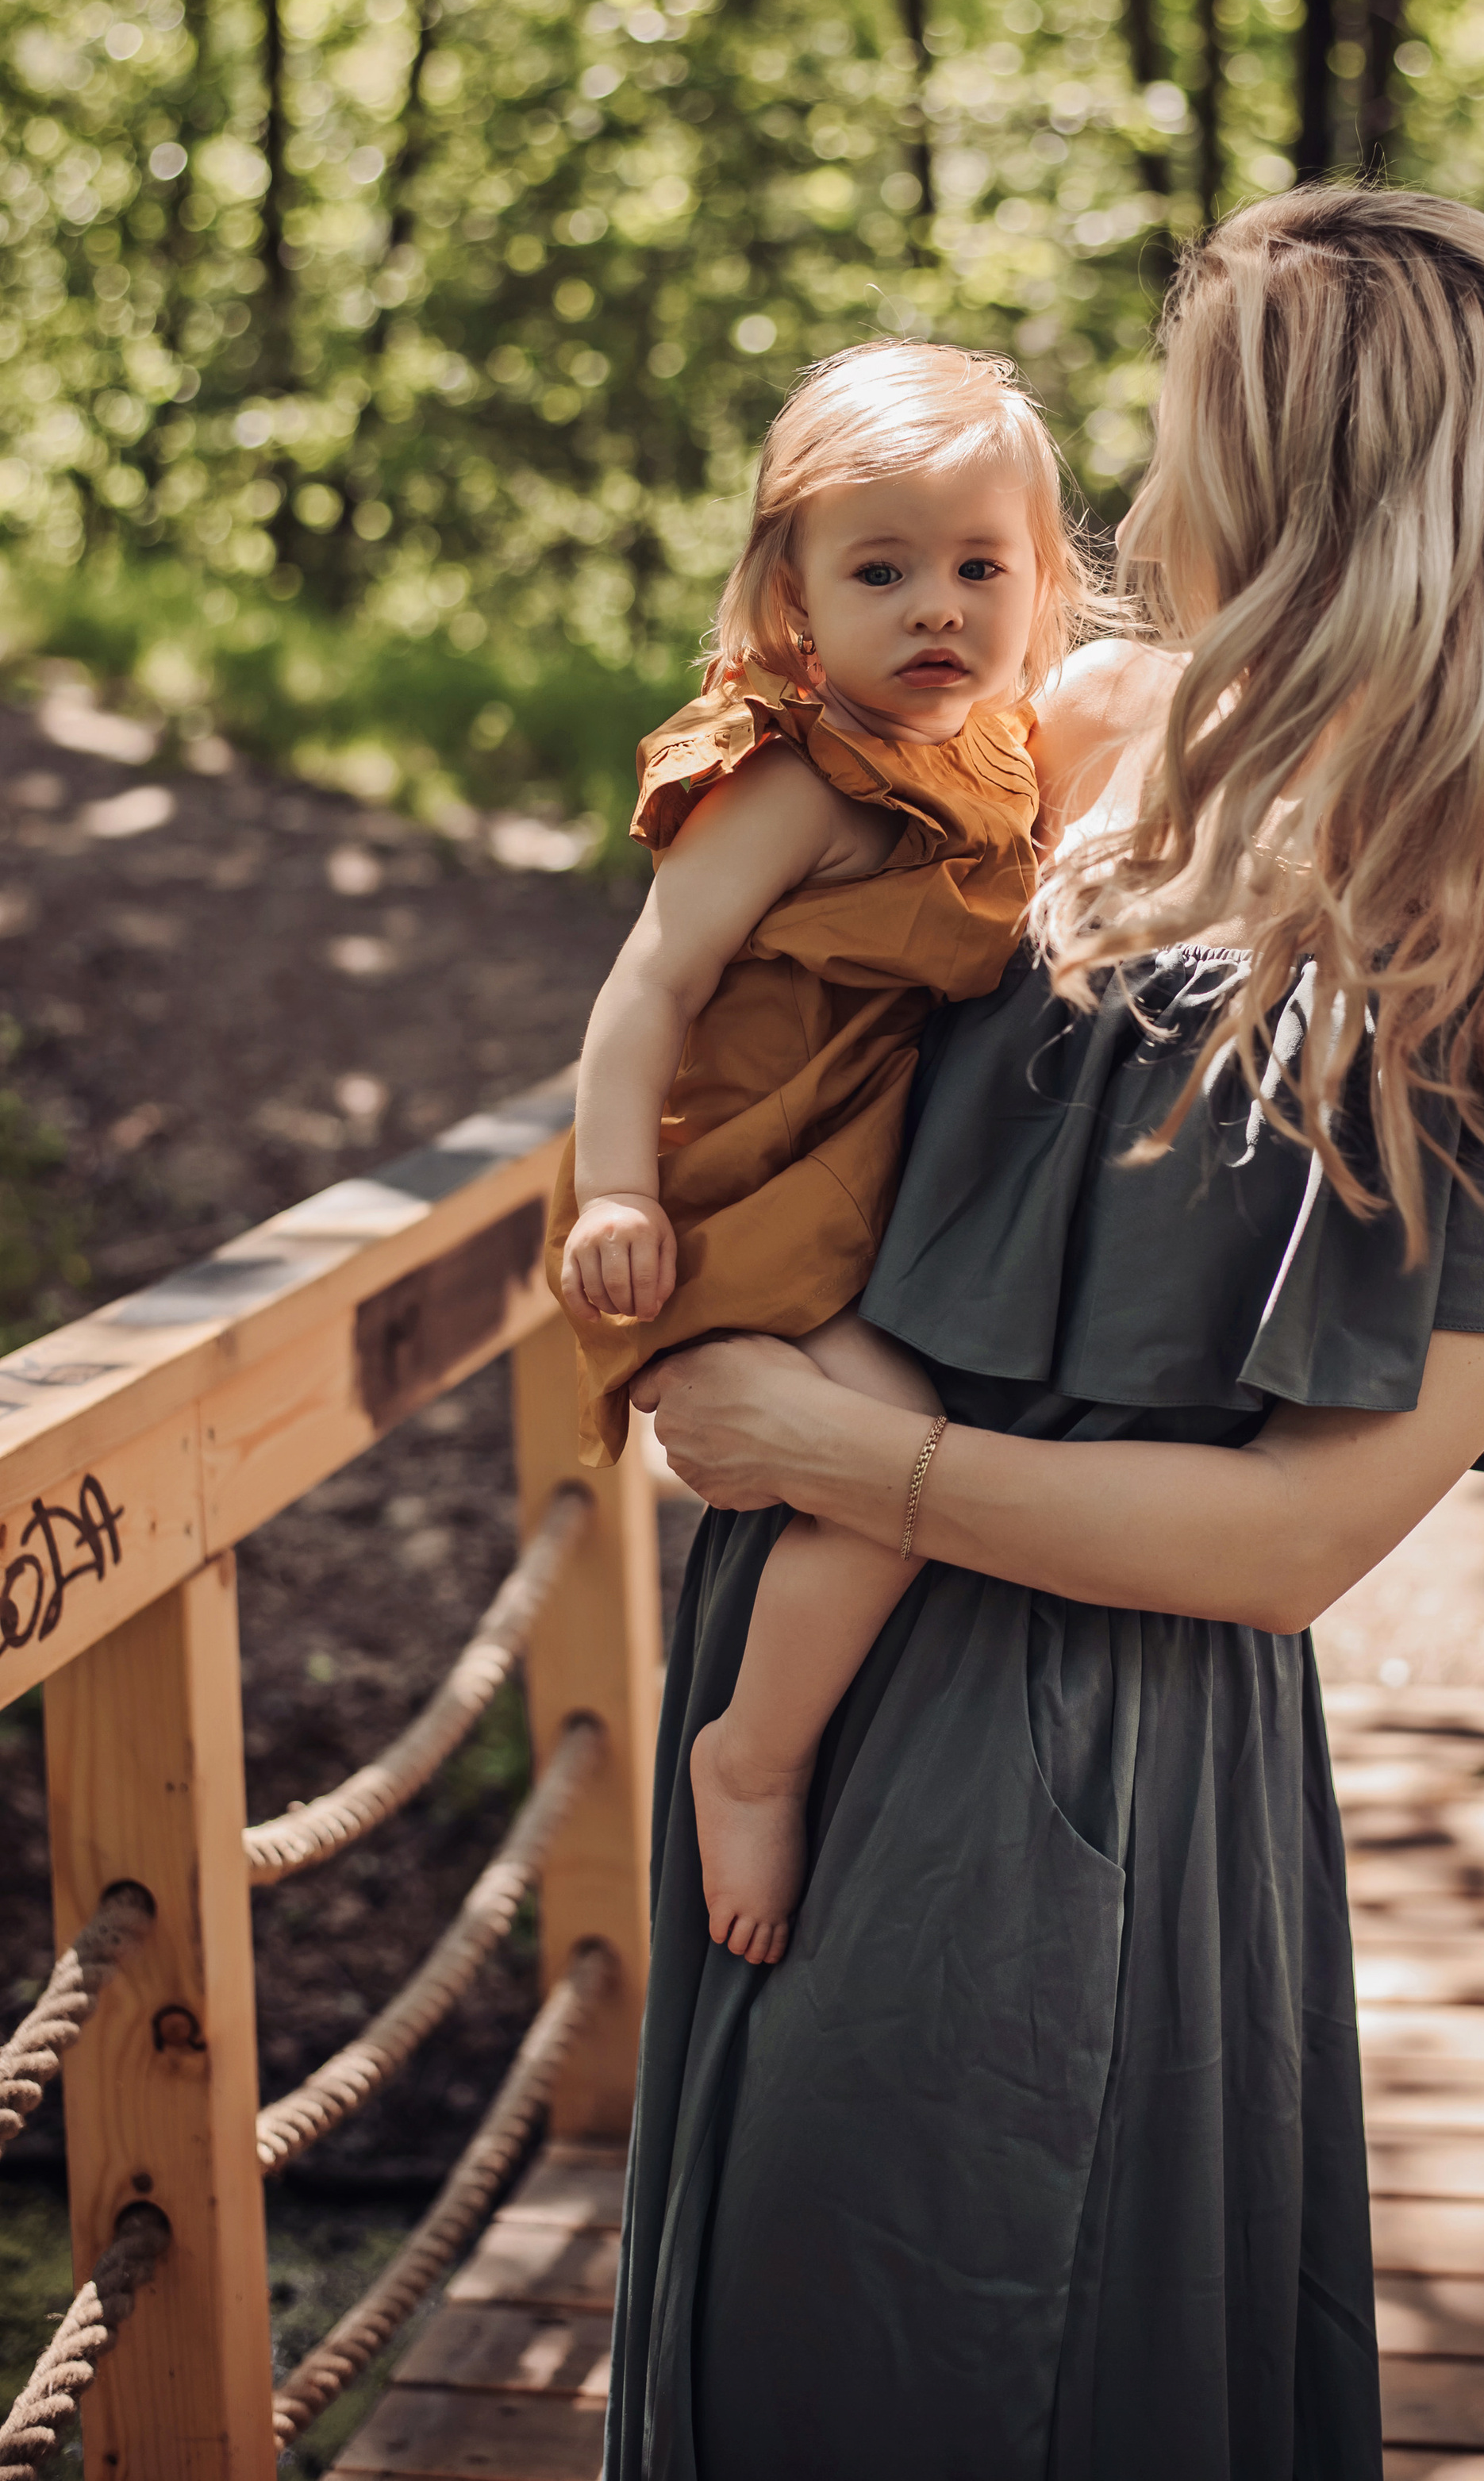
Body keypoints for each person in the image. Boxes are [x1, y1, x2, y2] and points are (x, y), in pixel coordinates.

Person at [611, 187, 1484, 2481]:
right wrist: (682, 1257)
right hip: (799, 1642)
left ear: (1316, 479)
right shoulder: (1067, 720)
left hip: (1098, 1734)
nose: (1145, 499)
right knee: (768, 2322)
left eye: (1191, 436)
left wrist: (835, 1450)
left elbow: (1295, 1538)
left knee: (950, 2344)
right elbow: (755, 995)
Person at [546, 337, 1101, 1964]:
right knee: (887, 1461)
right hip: (738, 1189)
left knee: (904, 1439)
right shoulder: (789, 774)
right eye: (882, 571)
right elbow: (651, 982)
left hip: (859, 1180)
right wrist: (618, 1192)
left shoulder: (994, 756)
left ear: (1039, 579)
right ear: (789, 597)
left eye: (976, 567)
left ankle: (781, 1745)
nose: (936, 608)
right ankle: (753, 1755)